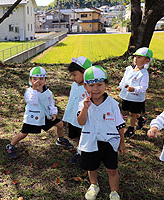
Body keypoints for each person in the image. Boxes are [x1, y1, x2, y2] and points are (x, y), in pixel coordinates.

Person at [77, 66, 125, 200]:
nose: (96, 89)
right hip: (90, 141)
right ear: (85, 86)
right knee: (92, 167)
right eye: (91, 85)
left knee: (112, 169)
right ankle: (93, 185)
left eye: (100, 84)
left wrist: (122, 142)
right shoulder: (82, 104)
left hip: (109, 142)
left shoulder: (113, 104)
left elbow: (120, 125)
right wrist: (85, 109)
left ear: (106, 85)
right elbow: (81, 122)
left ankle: (114, 192)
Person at [5, 66, 73, 159]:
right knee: (23, 133)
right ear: (30, 80)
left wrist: (53, 113)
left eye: (41, 78)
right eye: (35, 79)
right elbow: (32, 101)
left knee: (60, 124)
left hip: (45, 115)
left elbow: (51, 103)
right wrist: (34, 89)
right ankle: (10, 145)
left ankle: (60, 139)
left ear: (45, 80)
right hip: (33, 117)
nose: (38, 81)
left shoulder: (48, 92)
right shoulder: (29, 92)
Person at [118, 47, 153, 138]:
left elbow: (144, 87)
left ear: (146, 61)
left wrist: (135, 89)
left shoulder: (144, 74)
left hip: (136, 98)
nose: (136, 59)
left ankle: (131, 129)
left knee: (133, 113)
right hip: (127, 95)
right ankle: (141, 119)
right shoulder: (129, 69)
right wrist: (121, 86)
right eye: (135, 57)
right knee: (129, 111)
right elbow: (124, 79)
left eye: (139, 57)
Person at [62, 56, 92, 164]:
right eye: (72, 75)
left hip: (85, 118)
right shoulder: (75, 85)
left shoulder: (90, 87)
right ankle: (79, 151)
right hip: (74, 117)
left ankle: (85, 153)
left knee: (85, 135)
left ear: (84, 72)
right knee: (78, 135)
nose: (73, 77)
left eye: (75, 74)